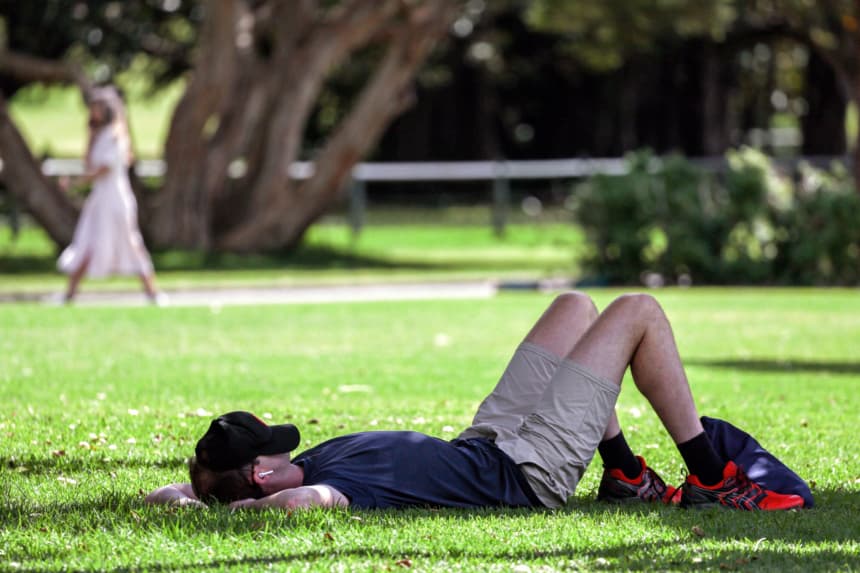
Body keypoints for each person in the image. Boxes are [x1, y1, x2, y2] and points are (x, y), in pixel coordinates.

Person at [146, 292, 805, 511]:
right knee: (638, 311)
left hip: (487, 437)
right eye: (272, 449)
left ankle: (626, 474)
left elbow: (177, 493)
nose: (286, 445)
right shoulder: (320, 489)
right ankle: (714, 475)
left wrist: (198, 493)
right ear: (262, 472)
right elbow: (296, 504)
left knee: (576, 307)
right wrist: (234, 505)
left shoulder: (301, 465)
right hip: (524, 472)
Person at [56, 85, 165, 305]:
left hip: (115, 200)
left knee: (131, 244)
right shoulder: (98, 136)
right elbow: (88, 164)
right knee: (87, 243)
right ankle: (69, 295)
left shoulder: (117, 137)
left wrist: (76, 183)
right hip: (99, 200)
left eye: (98, 108)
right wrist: (89, 136)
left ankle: (153, 293)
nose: (94, 112)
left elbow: (103, 169)